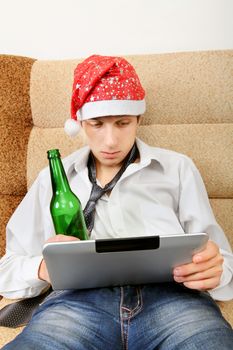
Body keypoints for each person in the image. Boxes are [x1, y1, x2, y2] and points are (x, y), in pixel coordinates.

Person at [1, 54, 233, 349]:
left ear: (139, 120)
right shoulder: (52, 179)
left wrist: (214, 270)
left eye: (122, 123)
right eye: (97, 124)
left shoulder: (178, 168)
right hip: (77, 303)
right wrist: (44, 269)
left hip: (174, 300)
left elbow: (222, 262)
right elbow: (6, 269)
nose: (110, 141)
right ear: (80, 123)